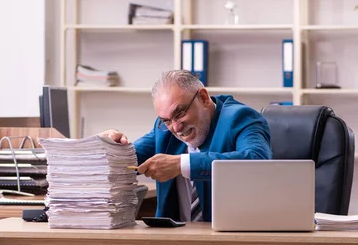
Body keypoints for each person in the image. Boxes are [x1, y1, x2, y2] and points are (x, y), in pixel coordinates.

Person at [100, 69, 272, 222]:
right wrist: (108, 146)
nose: (176, 127)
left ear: (203, 98)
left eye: (180, 113)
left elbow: (257, 161)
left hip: (227, 241)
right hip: (174, 243)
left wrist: (181, 164)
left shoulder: (240, 118)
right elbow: (125, 160)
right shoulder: (164, 130)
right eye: (166, 120)